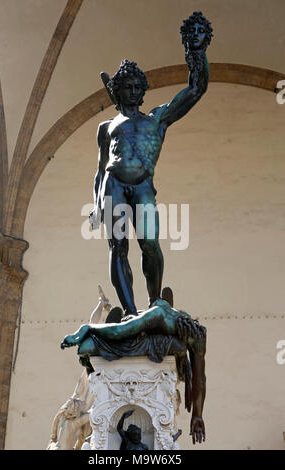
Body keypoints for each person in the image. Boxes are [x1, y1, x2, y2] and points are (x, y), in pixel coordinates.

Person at [89, 11, 212, 317]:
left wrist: (196, 52)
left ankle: (154, 301)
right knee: (118, 248)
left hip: (143, 185)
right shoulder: (107, 126)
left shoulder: (157, 119)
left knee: (151, 246)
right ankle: (130, 311)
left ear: (143, 90)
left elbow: (195, 90)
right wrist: (95, 206)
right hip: (113, 184)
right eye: (126, 87)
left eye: (136, 87)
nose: (132, 91)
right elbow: (100, 168)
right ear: (118, 90)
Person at [61, 298, 207, 444]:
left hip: (145, 335)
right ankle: (89, 328)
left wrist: (198, 415)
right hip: (133, 331)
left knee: (179, 349)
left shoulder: (197, 336)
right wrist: (88, 329)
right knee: (87, 347)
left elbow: (200, 378)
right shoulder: (158, 315)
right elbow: (119, 331)